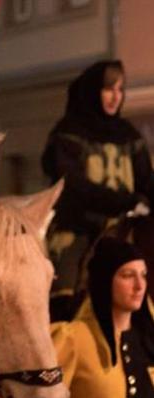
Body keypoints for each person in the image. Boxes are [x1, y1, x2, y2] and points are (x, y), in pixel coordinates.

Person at [0, 237, 154, 398]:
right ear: (106, 281)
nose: (139, 285)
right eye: (127, 275)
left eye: (143, 275)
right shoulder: (74, 339)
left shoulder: (147, 343)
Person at [42, 60, 154, 321]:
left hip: (125, 224)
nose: (116, 97)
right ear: (93, 90)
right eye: (108, 89)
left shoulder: (128, 134)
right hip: (80, 225)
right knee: (66, 283)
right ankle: (61, 323)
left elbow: (146, 180)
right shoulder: (69, 131)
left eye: (120, 89)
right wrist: (124, 201)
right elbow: (72, 185)